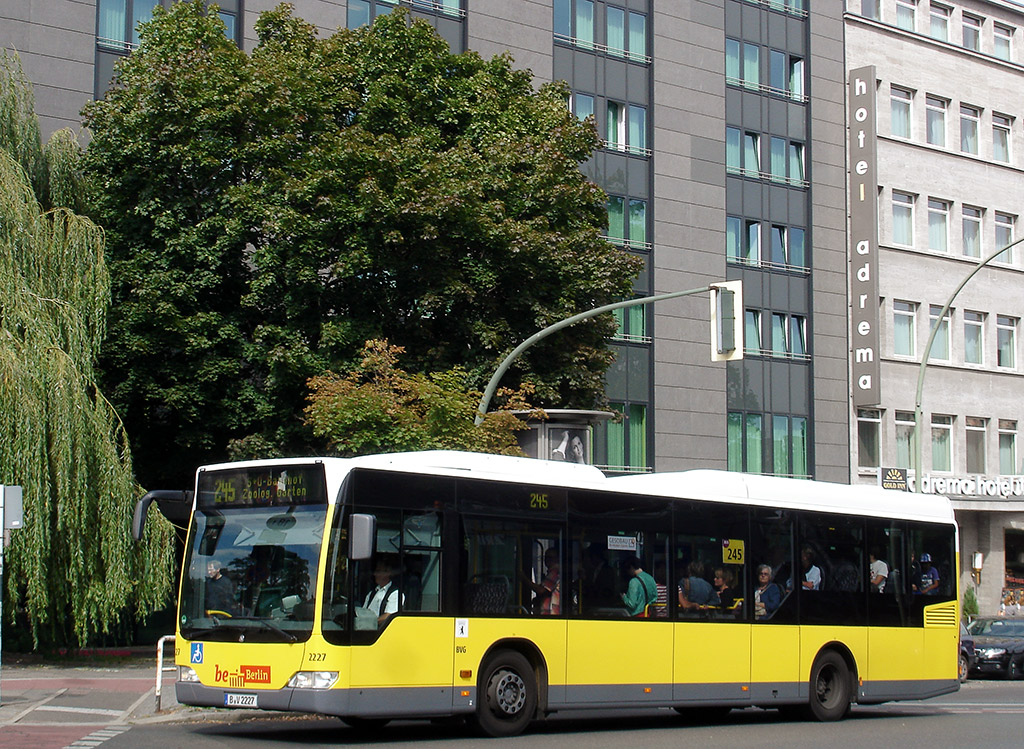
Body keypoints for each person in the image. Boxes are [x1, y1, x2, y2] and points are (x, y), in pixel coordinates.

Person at [363, 555, 404, 627]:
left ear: (388, 573)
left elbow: (389, 616)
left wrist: (369, 623)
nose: (375, 574)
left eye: (378, 571)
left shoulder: (396, 594)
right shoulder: (371, 593)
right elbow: (363, 612)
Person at [523, 547, 560, 614]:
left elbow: (541, 590)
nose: (548, 560)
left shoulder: (555, 572)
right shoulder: (552, 572)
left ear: (557, 559)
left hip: (550, 614)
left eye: (551, 557)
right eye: (546, 557)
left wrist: (523, 578)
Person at [582, 544, 618, 609]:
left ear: (595, 557)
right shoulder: (594, 570)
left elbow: (606, 590)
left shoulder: (607, 570)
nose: (589, 560)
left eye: (590, 557)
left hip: (603, 605)